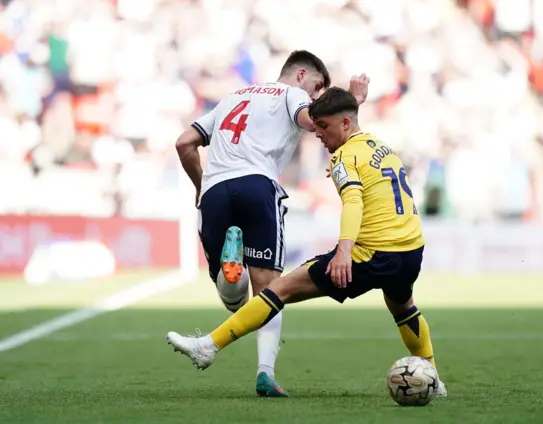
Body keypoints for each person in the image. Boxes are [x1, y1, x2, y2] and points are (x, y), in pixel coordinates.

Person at [168, 87, 446, 398]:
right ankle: (434, 378)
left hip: (371, 254)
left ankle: (208, 346)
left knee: (279, 289)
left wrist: (344, 251)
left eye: (323, 127)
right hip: (410, 250)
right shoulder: (378, 145)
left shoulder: (344, 156)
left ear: (344, 124)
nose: (318, 134)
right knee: (403, 306)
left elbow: (353, 202)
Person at [174, 51, 370, 397]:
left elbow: (185, 142)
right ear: (301, 75)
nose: (315, 97)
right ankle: (265, 373)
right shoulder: (292, 95)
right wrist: (352, 103)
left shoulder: (233, 97)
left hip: (216, 191)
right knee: (269, 290)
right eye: (316, 88)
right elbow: (312, 121)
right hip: (258, 185)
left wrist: (201, 186)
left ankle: (232, 272)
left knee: (231, 297)